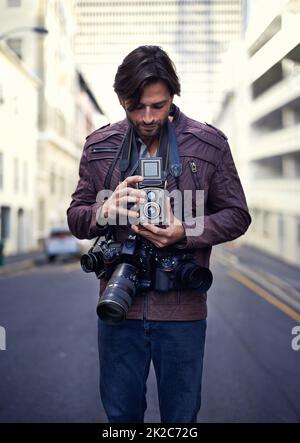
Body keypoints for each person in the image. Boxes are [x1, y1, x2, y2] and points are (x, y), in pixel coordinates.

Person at [67, 45, 251, 423]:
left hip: (183, 309)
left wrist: (185, 232)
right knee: (121, 419)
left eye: (159, 105)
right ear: (121, 99)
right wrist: (103, 212)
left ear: (173, 96)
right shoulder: (99, 146)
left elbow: (237, 216)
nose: (149, 117)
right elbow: (76, 217)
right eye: (137, 107)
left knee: (181, 420)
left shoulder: (209, 144)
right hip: (118, 307)